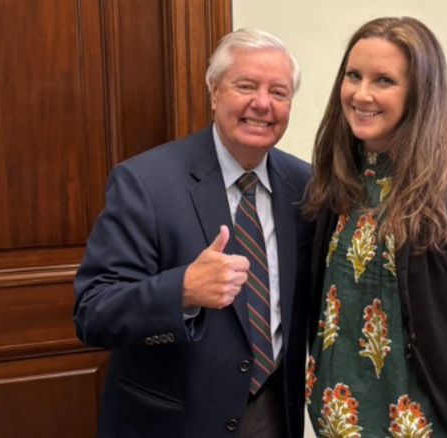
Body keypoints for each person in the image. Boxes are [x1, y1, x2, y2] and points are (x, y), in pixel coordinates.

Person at [73, 28, 314, 438]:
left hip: (272, 418)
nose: (262, 103)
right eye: (245, 86)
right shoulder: (145, 182)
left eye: (279, 92)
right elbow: (93, 312)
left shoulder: (304, 186)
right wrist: (181, 289)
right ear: (214, 91)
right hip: (172, 423)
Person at [304, 17, 447, 437]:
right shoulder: (340, 170)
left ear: (419, 92)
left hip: (425, 423)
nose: (361, 94)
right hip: (337, 420)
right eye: (353, 75)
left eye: (384, 80)